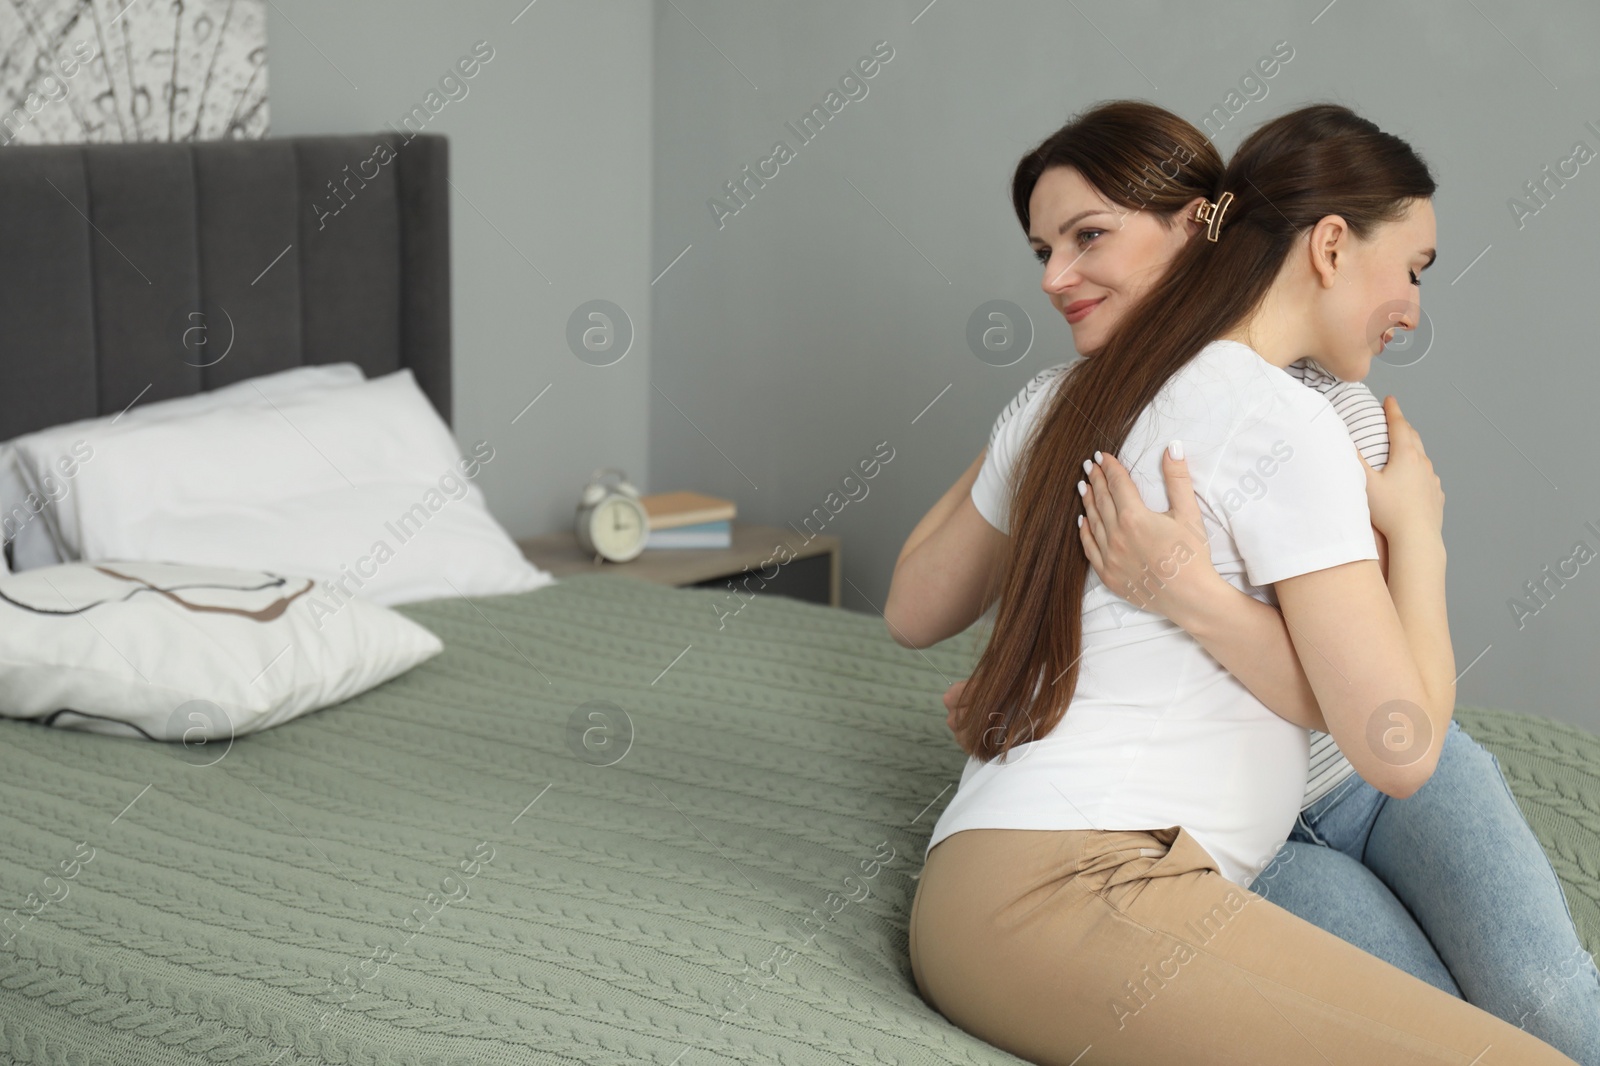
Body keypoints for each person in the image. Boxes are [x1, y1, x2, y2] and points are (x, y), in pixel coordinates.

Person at [883, 101, 1585, 1063]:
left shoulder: (1082, 400)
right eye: (1414, 270)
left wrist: (1051, 416)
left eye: (1090, 238)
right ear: (1330, 245)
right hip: (1080, 878)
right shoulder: (1268, 417)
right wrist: (1420, 532)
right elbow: (1399, 742)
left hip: (1036, 875)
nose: (1416, 306)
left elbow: (914, 609)